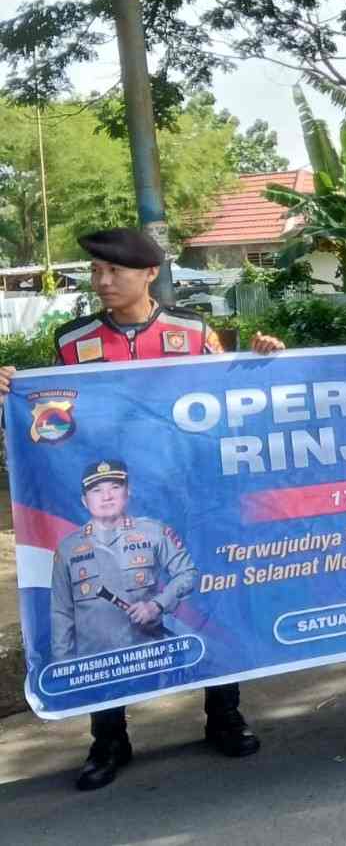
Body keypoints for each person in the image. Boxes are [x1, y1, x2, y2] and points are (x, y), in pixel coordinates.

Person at [0, 227, 285, 791]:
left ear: (150, 274)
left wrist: (260, 361)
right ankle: (109, 739)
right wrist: (13, 389)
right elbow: (53, 419)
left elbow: (228, 400)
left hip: (187, 496)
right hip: (111, 503)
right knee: (102, 617)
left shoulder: (193, 332)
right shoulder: (73, 342)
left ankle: (224, 716)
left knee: (209, 602)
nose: (103, 282)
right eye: (96, 272)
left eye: (116, 272)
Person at [50, 460, 197, 661]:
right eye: (96, 490)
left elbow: (187, 573)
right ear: (84, 500)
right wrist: (63, 665)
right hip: (94, 667)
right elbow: (61, 613)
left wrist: (157, 605)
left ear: (128, 492)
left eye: (115, 487)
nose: (106, 496)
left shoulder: (154, 532)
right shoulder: (68, 548)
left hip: (148, 658)